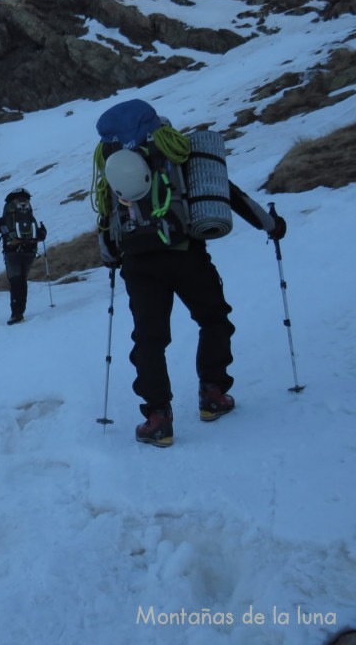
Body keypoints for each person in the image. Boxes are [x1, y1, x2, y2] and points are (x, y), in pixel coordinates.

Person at [92, 99, 287, 447]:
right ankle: (213, 394)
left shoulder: (111, 162)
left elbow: (107, 219)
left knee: (149, 340)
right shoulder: (176, 150)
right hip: (185, 254)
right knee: (213, 319)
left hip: (138, 263)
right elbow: (224, 190)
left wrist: (110, 260)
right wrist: (270, 225)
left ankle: (158, 418)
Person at [0, 188, 47, 324]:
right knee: (23, 280)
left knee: (15, 281)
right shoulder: (31, 217)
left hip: (12, 252)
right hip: (30, 251)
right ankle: (20, 312)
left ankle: (16, 314)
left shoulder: (4, 220)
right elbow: (40, 234)